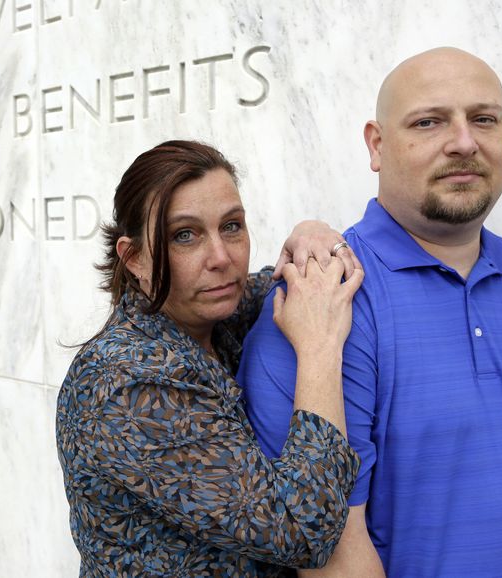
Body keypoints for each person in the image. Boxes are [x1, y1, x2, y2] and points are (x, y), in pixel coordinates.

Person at [238, 47, 502, 577]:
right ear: (376, 145)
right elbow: (328, 544)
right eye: (429, 122)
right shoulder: (320, 301)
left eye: (482, 119)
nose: (463, 142)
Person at [55, 140, 365, 577]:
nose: (221, 258)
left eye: (232, 226)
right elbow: (302, 532)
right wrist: (319, 347)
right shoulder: (128, 382)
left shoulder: (211, 318)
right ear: (134, 258)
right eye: (185, 235)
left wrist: (310, 231)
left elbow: (278, 285)